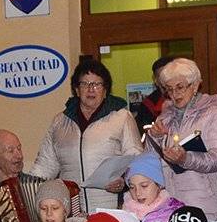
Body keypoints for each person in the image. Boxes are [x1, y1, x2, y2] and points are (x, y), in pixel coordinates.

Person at [29, 58, 142, 212]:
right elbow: (45, 166)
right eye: (84, 84)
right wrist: (25, 185)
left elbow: (136, 159)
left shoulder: (122, 117)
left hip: (111, 208)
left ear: (105, 90)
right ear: (76, 90)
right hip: (70, 211)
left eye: (97, 84)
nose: (91, 89)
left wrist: (124, 181)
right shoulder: (59, 122)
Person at [146, 57, 217, 221]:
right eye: (169, 89)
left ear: (195, 85)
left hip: (204, 202)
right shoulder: (165, 117)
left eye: (180, 87)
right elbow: (150, 162)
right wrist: (155, 138)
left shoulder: (213, 114)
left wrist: (186, 158)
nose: (174, 94)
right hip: (169, 202)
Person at [130, 54, 179, 129]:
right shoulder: (148, 105)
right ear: (155, 80)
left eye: (170, 74)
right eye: (162, 76)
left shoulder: (187, 97)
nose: (167, 79)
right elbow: (144, 132)